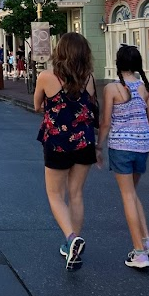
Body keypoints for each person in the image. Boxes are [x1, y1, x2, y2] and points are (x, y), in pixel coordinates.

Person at [96, 44, 149, 270]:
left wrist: (98, 147)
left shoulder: (112, 89)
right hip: (143, 146)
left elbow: (106, 122)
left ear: (118, 64)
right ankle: (146, 240)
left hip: (121, 146)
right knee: (132, 193)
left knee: (127, 196)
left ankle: (139, 253)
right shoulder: (145, 88)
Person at [34, 32, 98, 272]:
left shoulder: (46, 77)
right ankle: (71, 244)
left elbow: (37, 105)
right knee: (77, 194)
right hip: (84, 142)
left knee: (54, 194)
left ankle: (71, 238)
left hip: (57, 143)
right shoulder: (89, 79)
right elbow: (89, 105)